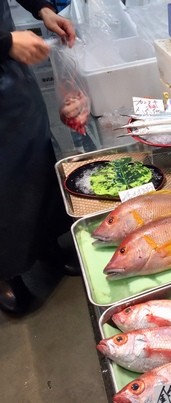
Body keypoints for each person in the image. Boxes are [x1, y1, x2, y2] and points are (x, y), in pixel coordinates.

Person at [0, 0, 77, 314]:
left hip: (10, 76)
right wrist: (5, 42)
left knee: (34, 158)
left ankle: (45, 244)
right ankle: (6, 274)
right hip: (6, 49)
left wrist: (43, 9)